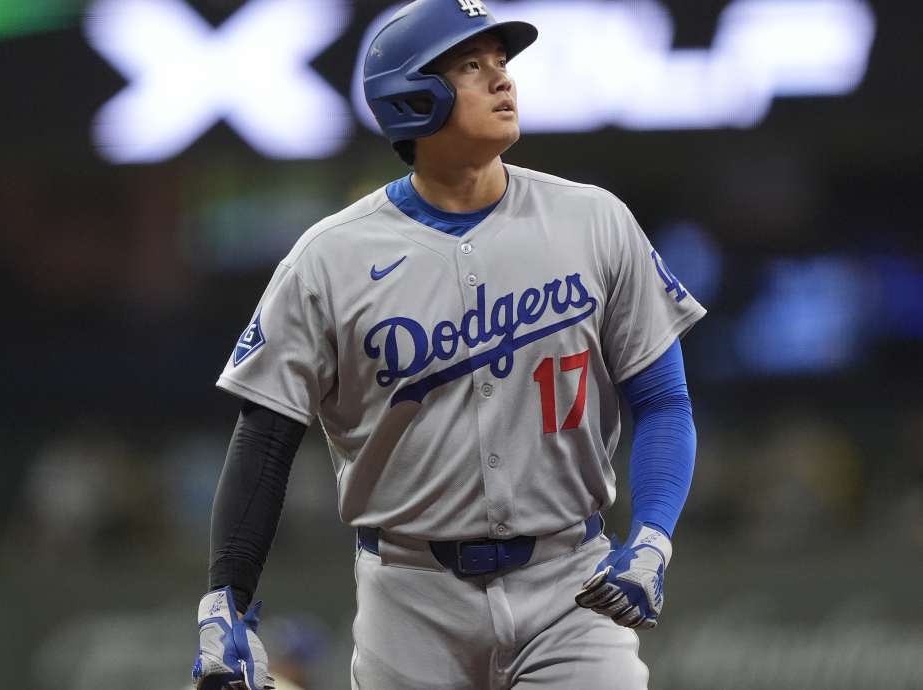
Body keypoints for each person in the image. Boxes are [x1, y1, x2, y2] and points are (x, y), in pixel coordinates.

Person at [191, 0, 705, 687]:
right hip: (409, 597)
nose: (503, 81)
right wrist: (226, 597)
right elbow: (265, 438)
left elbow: (664, 399)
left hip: (571, 581)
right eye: (472, 66)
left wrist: (652, 535)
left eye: (501, 63)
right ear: (412, 98)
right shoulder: (330, 259)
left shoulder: (593, 220)